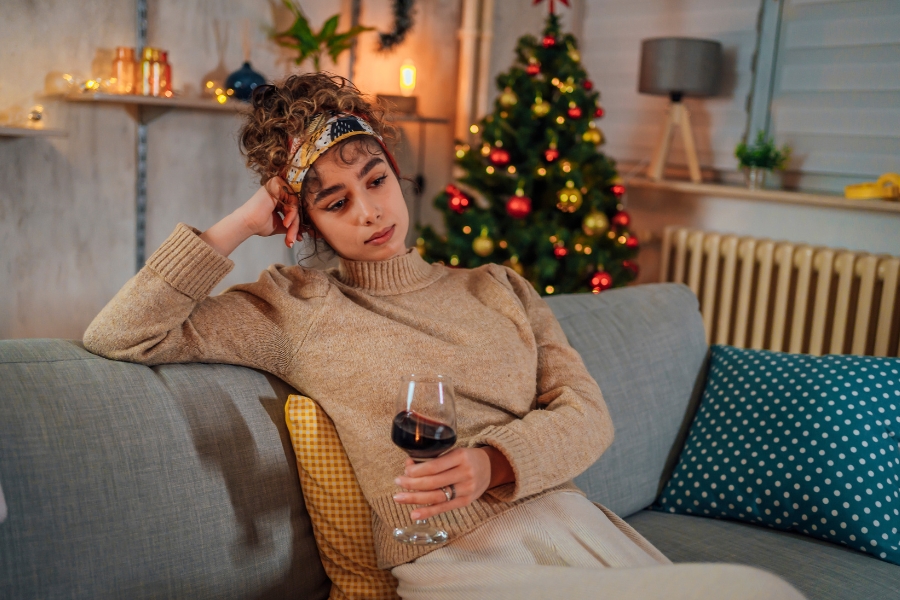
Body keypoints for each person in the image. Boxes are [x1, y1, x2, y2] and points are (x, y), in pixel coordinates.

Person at [84, 73, 803, 600]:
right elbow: (122, 334)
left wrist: (492, 464)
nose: (368, 211)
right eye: (335, 201)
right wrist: (239, 223)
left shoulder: (500, 286)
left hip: (579, 526)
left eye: (375, 180)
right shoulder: (294, 306)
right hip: (461, 560)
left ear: (396, 175)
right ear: (306, 222)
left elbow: (589, 415)